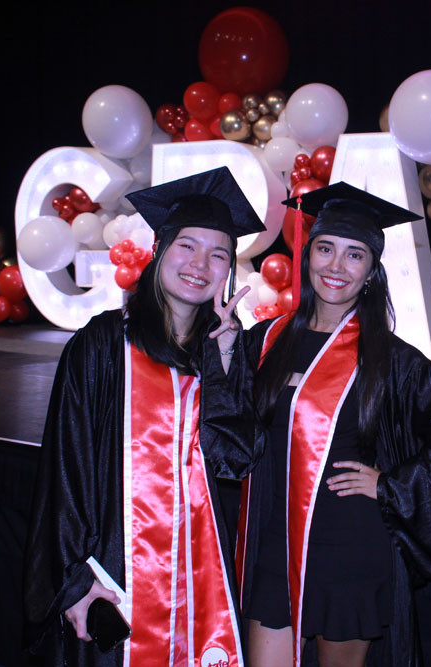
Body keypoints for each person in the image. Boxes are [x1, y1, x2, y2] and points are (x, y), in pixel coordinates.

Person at [24, 167, 265, 667]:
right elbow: (66, 466)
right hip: (114, 567)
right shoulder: (103, 344)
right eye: (187, 246)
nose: (201, 264)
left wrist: (224, 365)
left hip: (201, 573)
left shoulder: (223, 351)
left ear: (229, 272)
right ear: (160, 250)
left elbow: (231, 462)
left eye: (219, 254)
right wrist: (75, 577)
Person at [235, 182, 431, 667]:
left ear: (371, 272)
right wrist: (220, 353)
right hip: (271, 538)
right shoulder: (264, 340)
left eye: (355, 255)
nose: (335, 266)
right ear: (307, 257)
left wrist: (392, 485)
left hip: (347, 545)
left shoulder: (391, 360)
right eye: (325, 249)